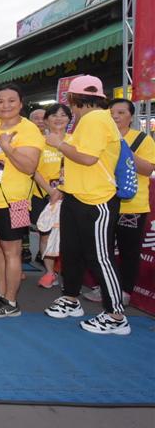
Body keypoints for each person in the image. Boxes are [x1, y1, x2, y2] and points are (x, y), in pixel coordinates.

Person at [44, 75, 130, 335]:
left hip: (97, 200)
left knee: (100, 257)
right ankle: (71, 299)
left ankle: (116, 315)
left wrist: (59, 143)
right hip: (76, 196)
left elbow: (88, 158)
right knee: (72, 252)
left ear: (71, 99)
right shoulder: (90, 120)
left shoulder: (95, 120)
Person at [0, 84, 43, 318]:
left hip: (15, 201)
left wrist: (8, 148)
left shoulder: (29, 129)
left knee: (12, 251)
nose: (5, 105)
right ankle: (1, 295)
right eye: (0, 101)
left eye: (11, 101)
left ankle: (11, 302)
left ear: (21, 103)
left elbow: (29, 166)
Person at [82, 99, 155, 306]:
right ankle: (104, 287)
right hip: (103, 202)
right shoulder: (103, 137)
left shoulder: (142, 139)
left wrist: (125, 153)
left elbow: (148, 169)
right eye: (112, 112)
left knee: (128, 251)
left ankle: (124, 291)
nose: (115, 116)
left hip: (132, 206)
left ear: (131, 116)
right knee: (102, 249)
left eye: (121, 112)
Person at [34, 103, 71, 289]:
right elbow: (33, 169)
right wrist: (51, 191)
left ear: (69, 119)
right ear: (46, 120)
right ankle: (49, 273)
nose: (58, 118)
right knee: (45, 235)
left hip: (71, 195)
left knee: (71, 236)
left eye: (63, 115)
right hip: (45, 195)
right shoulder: (38, 141)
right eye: (54, 115)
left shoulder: (75, 140)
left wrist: (64, 190)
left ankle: (70, 273)